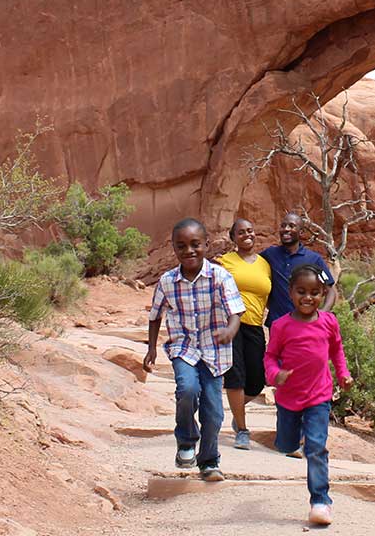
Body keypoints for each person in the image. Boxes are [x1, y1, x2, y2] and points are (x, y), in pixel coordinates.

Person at [144, 218, 244, 481]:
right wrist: (151, 349)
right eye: (182, 246)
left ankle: (209, 461)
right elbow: (155, 316)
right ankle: (187, 441)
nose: (189, 251)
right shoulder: (167, 282)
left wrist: (230, 331)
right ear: (174, 249)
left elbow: (236, 311)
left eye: (195, 245)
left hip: (214, 352)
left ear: (206, 245)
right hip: (183, 347)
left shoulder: (220, 276)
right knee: (187, 389)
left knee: (214, 413)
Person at [264, 263, 352, 526]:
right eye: (301, 291)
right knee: (287, 445)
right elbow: (270, 356)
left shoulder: (329, 322)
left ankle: (320, 501)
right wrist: (275, 375)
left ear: (322, 294)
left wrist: (343, 373)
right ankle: (293, 441)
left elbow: (336, 349)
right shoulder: (281, 326)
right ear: (290, 292)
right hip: (289, 397)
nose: (308, 297)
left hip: (319, 396)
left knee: (316, 448)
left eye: (314, 292)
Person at [217, 218, 272, 450]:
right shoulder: (224, 262)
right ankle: (242, 428)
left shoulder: (264, 264)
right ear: (233, 238)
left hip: (255, 326)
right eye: (241, 232)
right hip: (231, 324)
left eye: (250, 230)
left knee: (258, 380)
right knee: (235, 376)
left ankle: (236, 410)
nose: (246, 235)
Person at [261, 212, 338, 329]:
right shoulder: (270, 254)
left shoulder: (314, 259)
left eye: (291, 226)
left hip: (305, 326)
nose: (286, 229)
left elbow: (330, 290)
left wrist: (321, 315)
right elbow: (250, 263)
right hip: (277, 325)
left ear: (301, 232)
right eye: (283, 226)